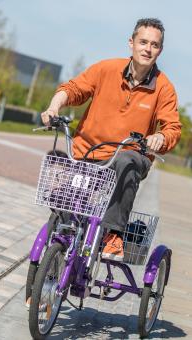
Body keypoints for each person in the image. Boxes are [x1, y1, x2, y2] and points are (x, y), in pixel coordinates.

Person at [40, 18, 182, 261]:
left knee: (127, 160)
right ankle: (59, 253)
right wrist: (54, 107)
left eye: (155, 45)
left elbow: (172, 128)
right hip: (88, 152)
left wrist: (160, 137)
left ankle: (113, 235)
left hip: (128, 157)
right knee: (59, 166)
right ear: (131, 43)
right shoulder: (106, 69)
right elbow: (74, 89)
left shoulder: (163, 88)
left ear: (160, 50)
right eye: (143, 42)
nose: (148, 49)